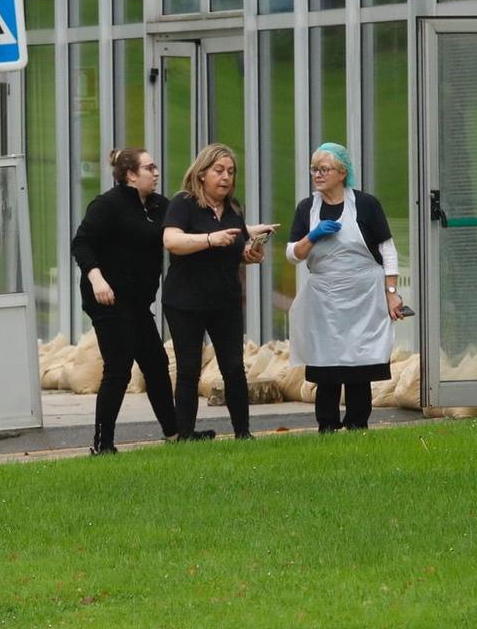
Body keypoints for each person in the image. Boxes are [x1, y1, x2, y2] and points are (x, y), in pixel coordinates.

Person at [287, 142, 404, 431]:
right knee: (326, 363)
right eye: (314, 169)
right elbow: (292, 255)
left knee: (359, 362)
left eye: (324, 169)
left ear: (342, 172)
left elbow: (387, 250)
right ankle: (326, 425)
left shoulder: (366, 205)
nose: (317, 175)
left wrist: (391, 294)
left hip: (364, 296)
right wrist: (312, 236)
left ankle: (357, 423)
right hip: (324, 298)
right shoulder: (307, 209)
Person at [162, 144, 275, 440]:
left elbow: (233, 249)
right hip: (185, 301)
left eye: (231, 172)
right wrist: (211, 239)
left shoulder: (234, 209)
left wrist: (250, 254)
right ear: (201, 174)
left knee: (234, 367)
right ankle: (184, 435)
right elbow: (172, 241)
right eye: (219, 170)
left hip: (224, 300)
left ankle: (243, 433)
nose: (226, 177)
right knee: (189, 368)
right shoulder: (183, 204)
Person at [70, 147, 178, 453]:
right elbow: (82, 243)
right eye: (150, 168)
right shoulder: (107, 205)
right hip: (107, 298)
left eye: (156, 168)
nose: (156, 173)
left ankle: (174, 435)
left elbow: (187, 229)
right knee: (118, 367)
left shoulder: (159, 206)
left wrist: (241, 233)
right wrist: (97, 278)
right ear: (131, 175)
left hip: (137, 301)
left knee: (156, 363)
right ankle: (102, 445)